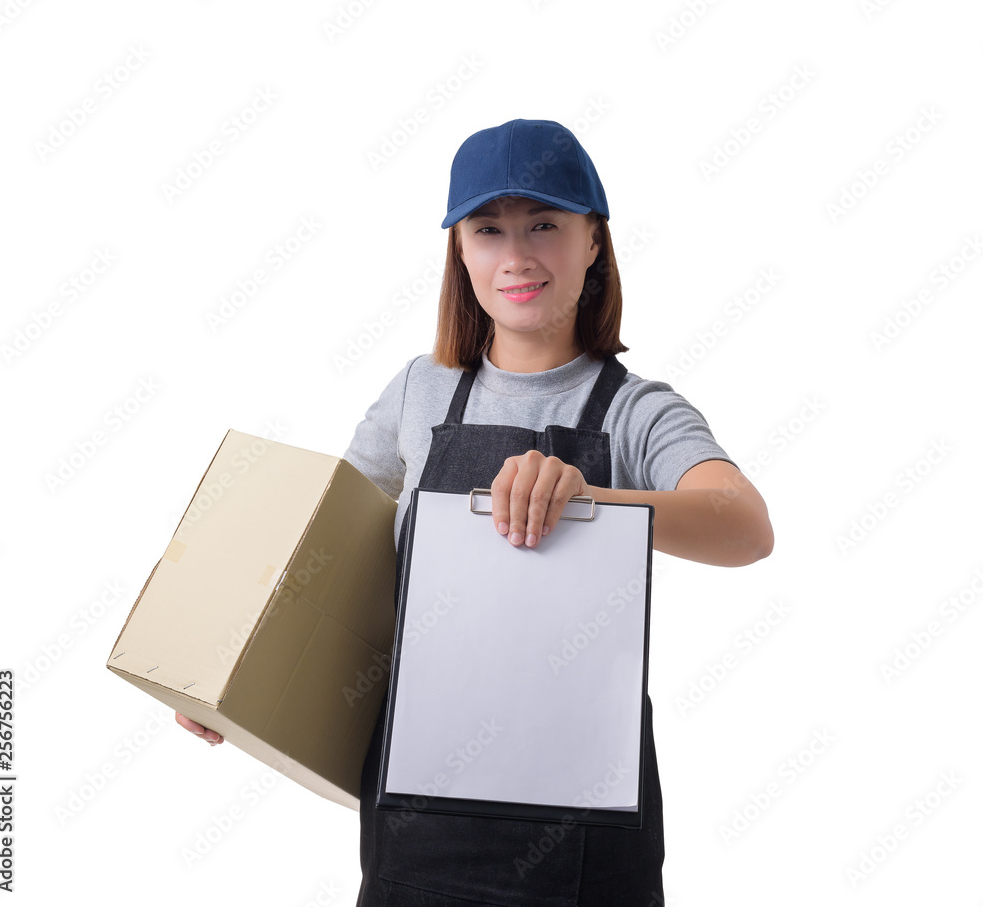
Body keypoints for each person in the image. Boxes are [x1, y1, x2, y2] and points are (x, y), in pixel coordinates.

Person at [177, 118, 774, 906]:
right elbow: (321, 553)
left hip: (587, 845)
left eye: (546, 226)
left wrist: (592, 499)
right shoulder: (418, 391)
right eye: (488, 230)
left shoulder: (637, 412)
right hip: (417, 832)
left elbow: (744, 523)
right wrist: (233, 676)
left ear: (594, 241)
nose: (517, 255)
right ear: (460, 249)